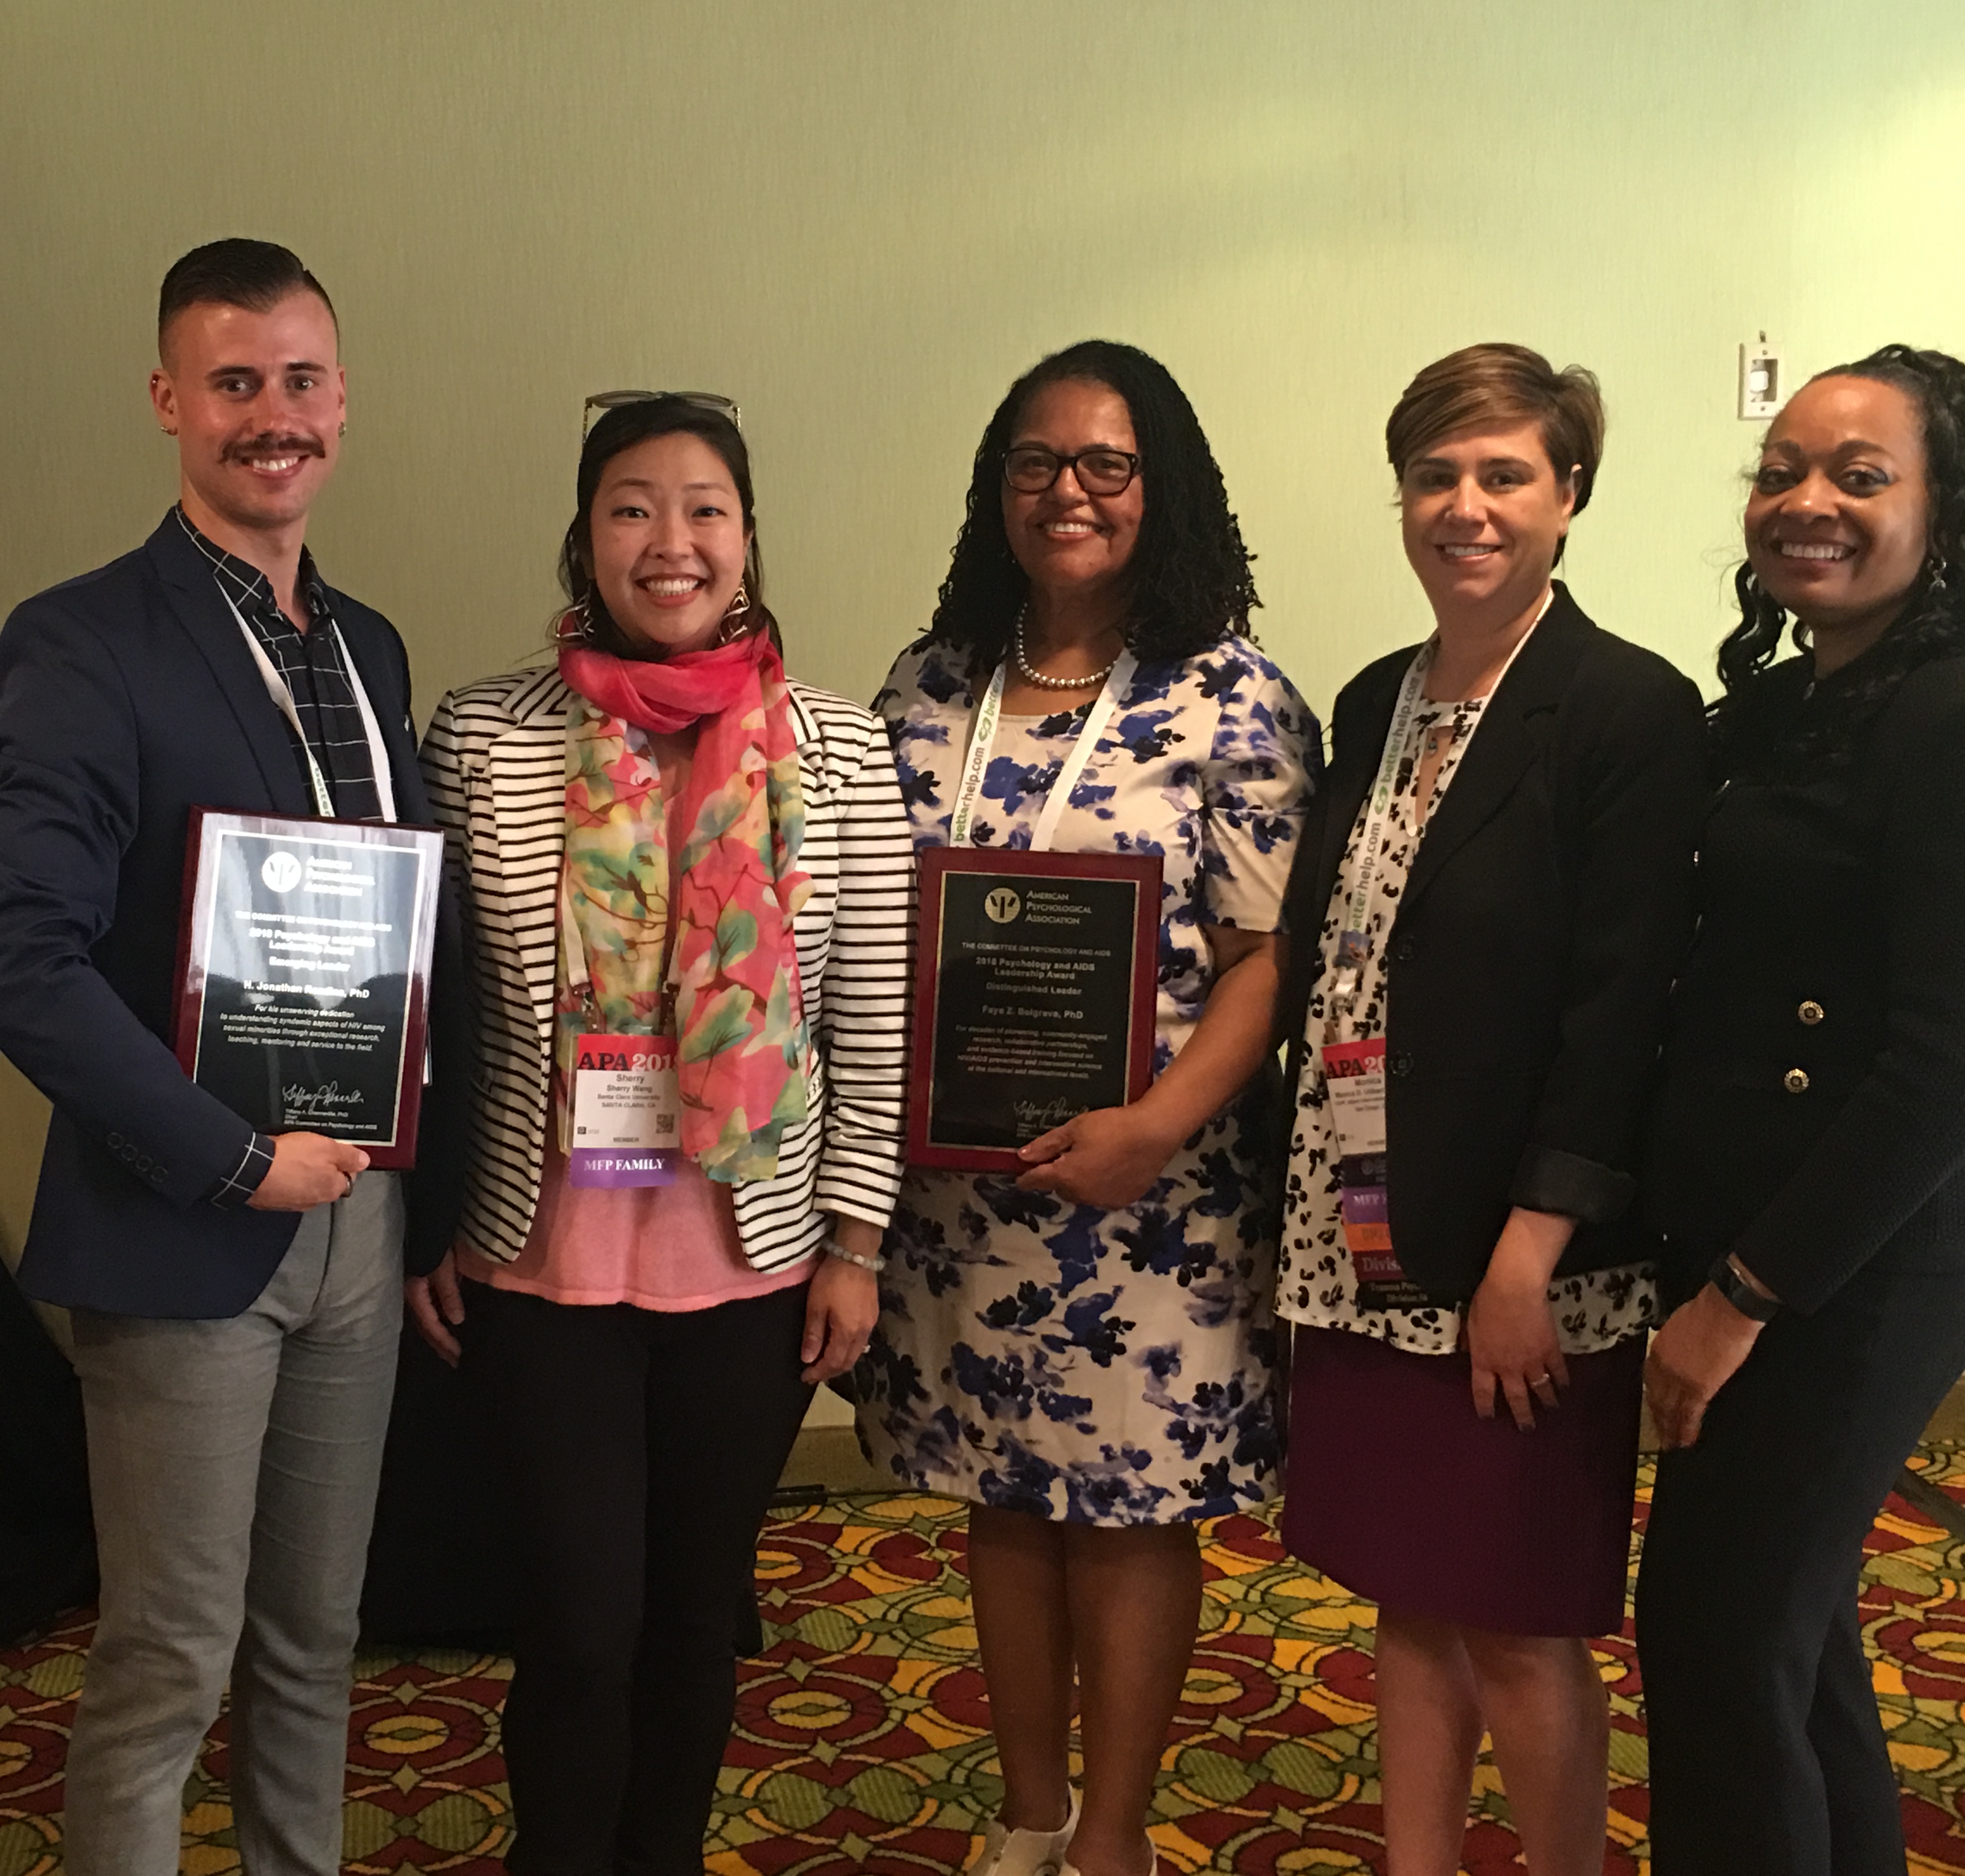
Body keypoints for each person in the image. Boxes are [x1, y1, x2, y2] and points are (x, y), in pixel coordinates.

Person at [0, 239, 452, 1876]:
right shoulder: (85, 639)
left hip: (356, 1218)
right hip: (190, 1225)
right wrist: (237, 1155)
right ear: (170, 401)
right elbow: (19, 962)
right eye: (234, 383)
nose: (273, 416)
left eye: (302, 381)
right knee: (173, 1651)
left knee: (318, 1638)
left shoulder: (369, 652)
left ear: (343, 401)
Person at [404, 390, 913, 1876]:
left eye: (705, 508)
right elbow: (440, 1008)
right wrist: (427, 1215)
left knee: (699, 1616)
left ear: (748, 542)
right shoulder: (486, 734)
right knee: (576, 1620)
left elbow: (870, 1021)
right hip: (539, 1262)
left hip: (752, 1265)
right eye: (632, 506)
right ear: (585, 537)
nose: (670, 541)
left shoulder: (841, 750)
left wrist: (859, 1246)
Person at [853, 340, 1319, 1876]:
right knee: (1002, 1499)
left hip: (1151, 1196)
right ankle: (1031, 1815)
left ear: (1159, 488)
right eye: (1037, 463)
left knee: (1127, 1515)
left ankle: (1112, 1833)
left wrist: (1156, 1126)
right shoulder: (928, 687)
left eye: (1107, 465)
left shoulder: (1233, 697)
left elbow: (1266, 963)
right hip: (963, 1193)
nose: (1068, 492)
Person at [1270, 343, 1705, 1875]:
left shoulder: (1629, 712)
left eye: (1504, 474)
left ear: (1569, 495)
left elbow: (1622, 1013)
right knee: (1408, 1591)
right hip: (1368, 1228)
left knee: (1519, 1621)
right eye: (1437, 475)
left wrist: (1532, 1254)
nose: (1465, 505)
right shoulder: (1378, 697)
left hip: (1520, 1258)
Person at [1635, 349, 1965, 1872]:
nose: (1805, 502)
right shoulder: (1806, 698)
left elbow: (1949, 1064)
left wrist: (1744, 1294)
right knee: (1788, 1641)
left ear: (1952, 507)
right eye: (1782, 470)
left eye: (1859, 476)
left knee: (1718, 1637)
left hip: (1859, 1260)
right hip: (1767, 1240)